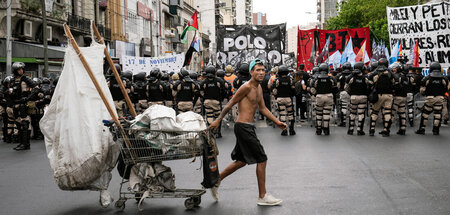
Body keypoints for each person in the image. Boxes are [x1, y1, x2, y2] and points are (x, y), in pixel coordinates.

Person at [208, 58, 287, 206]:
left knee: (241, 161)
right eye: (258, 70)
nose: (261, 72)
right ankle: (262, 196)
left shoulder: (258, 87)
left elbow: (263, 108)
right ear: (251, 72)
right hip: (243, 127)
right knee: (262, 158)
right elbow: (230, 103)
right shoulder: (246, 87)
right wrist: (218, 120)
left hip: (248, 127)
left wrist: (277, 121)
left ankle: (215, 180)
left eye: (263, 70)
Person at [416, 62, 449, 135]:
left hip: (430, 98)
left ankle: (422, 129)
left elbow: (422, 90)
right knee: (437, 114)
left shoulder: (427, 78)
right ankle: (436, 130)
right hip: (440, 98)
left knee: (425, 114)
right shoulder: (444, 78)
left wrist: (424, 93)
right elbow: (447, 88)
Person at [310, 63, 336, 135]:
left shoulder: (316, 79)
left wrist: (316, 94)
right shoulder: (331, 79)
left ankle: (318, 129)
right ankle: (326, 129)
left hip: (319, 96)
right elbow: (335, 88)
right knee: (326, 113)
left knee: (318, 113)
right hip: (329, 96)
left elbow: (312, 89)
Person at [345, 62, 370, 135]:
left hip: (353, 97)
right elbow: (370, 86)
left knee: (352, 113)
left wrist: (351, 93)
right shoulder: (365, 77)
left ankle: (351, 129)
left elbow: (346, 87)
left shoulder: (350, 77)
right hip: (363, 97)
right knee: (361, 113)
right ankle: (359, 129)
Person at [271, 65, 296, 136]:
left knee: (282, 114)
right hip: (288, 98)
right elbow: (294, 89)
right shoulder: (290, 79)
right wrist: (292, 95)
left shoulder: (277, 80)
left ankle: (284, 130)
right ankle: (291, 130)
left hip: (280, 99)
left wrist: (276, 96)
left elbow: (273, 89)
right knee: (291, 114)